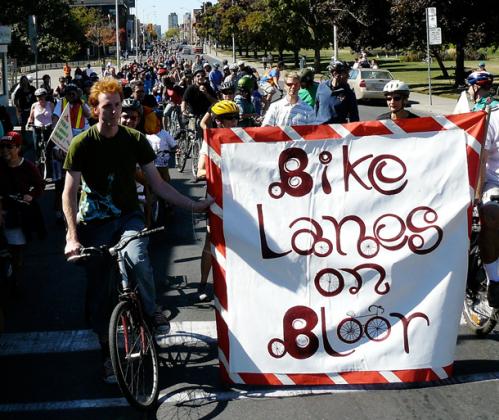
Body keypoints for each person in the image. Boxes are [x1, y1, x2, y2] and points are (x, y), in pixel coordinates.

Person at [62, 77, 212, 383]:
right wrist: (72, 235)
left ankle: (151, 311)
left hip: (128, 217)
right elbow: (69, 192)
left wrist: (194, 206)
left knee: (139, 257)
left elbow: (157, 184)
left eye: (117, 106)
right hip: (94, 222)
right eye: (107, 107)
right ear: (95, 109)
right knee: (100, 294)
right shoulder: (81, 143)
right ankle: (107, 355)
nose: (114, 112)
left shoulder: (134, 140)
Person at [196, 100, 240, 301]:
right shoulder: (210, 141)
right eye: (230, 118)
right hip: (216, 198)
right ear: (219, 122)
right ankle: (203, 284)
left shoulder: (242, 138)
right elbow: (200, 171)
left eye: (235, 117)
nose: (234, 121)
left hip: (239, 198)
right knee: (210, 242)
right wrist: (224, 170)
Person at [466, 71, 499, 308]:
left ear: (475, 89)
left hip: (491, 184)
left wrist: (475, 197)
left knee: (487, 218)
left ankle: (495, 280)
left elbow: (481, 160)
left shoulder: (486, 117)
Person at [0, 132, 45, 294]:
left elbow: (39, 186)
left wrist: (30, 195)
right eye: (2, 147)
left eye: (9, 147)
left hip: (17, 215)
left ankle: (14, 280)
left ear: (18, 148)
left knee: (16, 250)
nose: (4, 150)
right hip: (3, 213)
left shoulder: (28, 167)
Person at [27, 88, 54, 177]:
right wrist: (28, 123)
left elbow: (54, 116)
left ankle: (49, 169)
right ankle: (37, 169)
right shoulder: (34, 105)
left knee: (49, 149)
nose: (40, 98)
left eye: (41, 96)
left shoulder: (50, 104)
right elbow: (31, 117)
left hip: (48, 128)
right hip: (37, 128)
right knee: (37, 149)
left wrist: (54, 125)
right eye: (38, 97)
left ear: (45, 96)